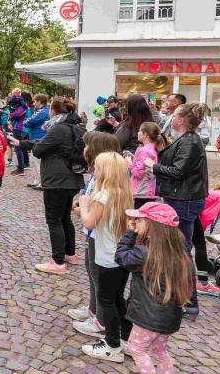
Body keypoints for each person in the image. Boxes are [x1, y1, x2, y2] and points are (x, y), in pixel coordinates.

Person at [144, 102, 208, 315]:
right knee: (180, 248)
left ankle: (189, 301)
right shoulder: (186, 139)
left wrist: (153, 166)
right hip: (182, 198)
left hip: (184, 200)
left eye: (174, 115)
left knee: (181, 250)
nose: (171, 118)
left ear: (181, 120)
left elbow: (179, 171)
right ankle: (183, 298)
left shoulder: (190, 141)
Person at [115, 202, 191, 374]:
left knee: (136, 348)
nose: (135, 222)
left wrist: (130, 233)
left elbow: (122, 257)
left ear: (152, 227)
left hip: (149, 317)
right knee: (159, 350)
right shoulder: (179, 252)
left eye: (139, 220)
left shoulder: (146, 254)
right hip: (169, 316)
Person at [78, 152, 134, 363]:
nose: (95, 171)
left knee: (107, 300)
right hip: (120, 256)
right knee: (118, 298)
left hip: (107, 257)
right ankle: (125, 338)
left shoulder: (103, 195)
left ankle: (112, 345)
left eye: (98, 168)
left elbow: (89, 223)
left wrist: (84, 205)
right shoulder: (124, 193)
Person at [67, 131, 122, 342]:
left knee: (98, 275)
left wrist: (83, 209)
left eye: (87, 146)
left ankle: (100, 318)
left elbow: (95, 211)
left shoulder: (106, 182)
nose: (84, 149)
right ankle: (93, 309)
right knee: (91, 270)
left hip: (98, 233)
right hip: (93, 232)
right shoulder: (96, 175)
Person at [28, 97, 85, 274]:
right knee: (65, 217)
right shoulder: (76, 126)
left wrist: (35, 145)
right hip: (72, 179)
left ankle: (57, 261)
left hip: (57, 180)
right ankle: (70, 254)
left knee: (54, 220)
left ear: (53, 111)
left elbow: (38, 150)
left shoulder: (58, 128)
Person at [126, 122, 165, 209]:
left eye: (140, 131)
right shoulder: (153, 148)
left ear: (146, 135)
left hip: (142, 192)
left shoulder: (144, 150)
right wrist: (134, 158)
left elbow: (138, 173)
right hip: (150, 191)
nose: (137, 133)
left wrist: (129, 163)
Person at [24, 94, 50, 189]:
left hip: (38, 139)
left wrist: (26, 121)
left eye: (35, 101)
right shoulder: (45, 110)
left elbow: (28, 122)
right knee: (33, 161)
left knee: (37, 162)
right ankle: (37, 180)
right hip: (37, 138)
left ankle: (41, 183)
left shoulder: (42, 111)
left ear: (39, 102)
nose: (34, 103)